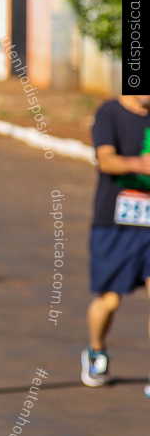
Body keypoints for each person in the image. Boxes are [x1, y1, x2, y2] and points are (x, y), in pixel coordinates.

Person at [82, 94, 150, 396]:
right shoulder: (109, 113)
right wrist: (142, 164)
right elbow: (106, 160)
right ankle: (96, 351)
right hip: (115, 224)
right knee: (110, 300)